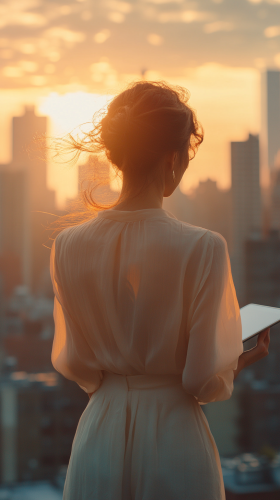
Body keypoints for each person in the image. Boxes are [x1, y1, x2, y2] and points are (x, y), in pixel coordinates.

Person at [50, 81, 270, 500]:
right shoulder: (204, 246)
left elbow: (78, 365)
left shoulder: (67, 245)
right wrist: (235, 362)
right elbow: (203, 380)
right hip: (174, 438)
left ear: (118, 154)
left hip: (98, 434)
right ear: (174, 157)